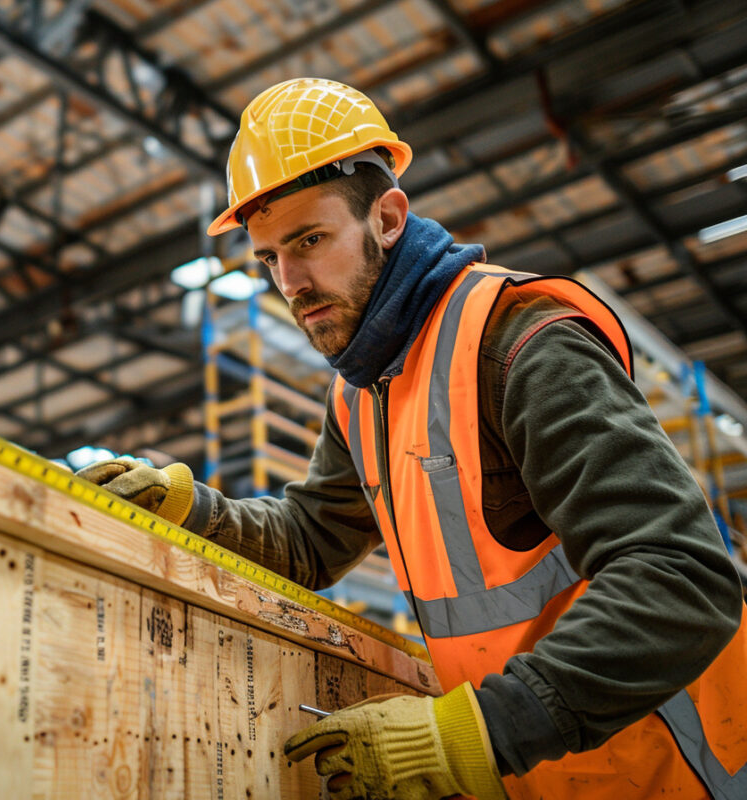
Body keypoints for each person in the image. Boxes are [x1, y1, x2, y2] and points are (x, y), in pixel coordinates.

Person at [76, 78, 747, 799]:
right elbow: (311, 539)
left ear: (389, 217)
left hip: (682, 772)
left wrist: (474, 732)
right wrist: (195, 513)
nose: (291, 282)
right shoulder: (364, 391)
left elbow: (682, 578)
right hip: (551, 777)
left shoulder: (519, 345)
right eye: (269, 257)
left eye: (310, 240)